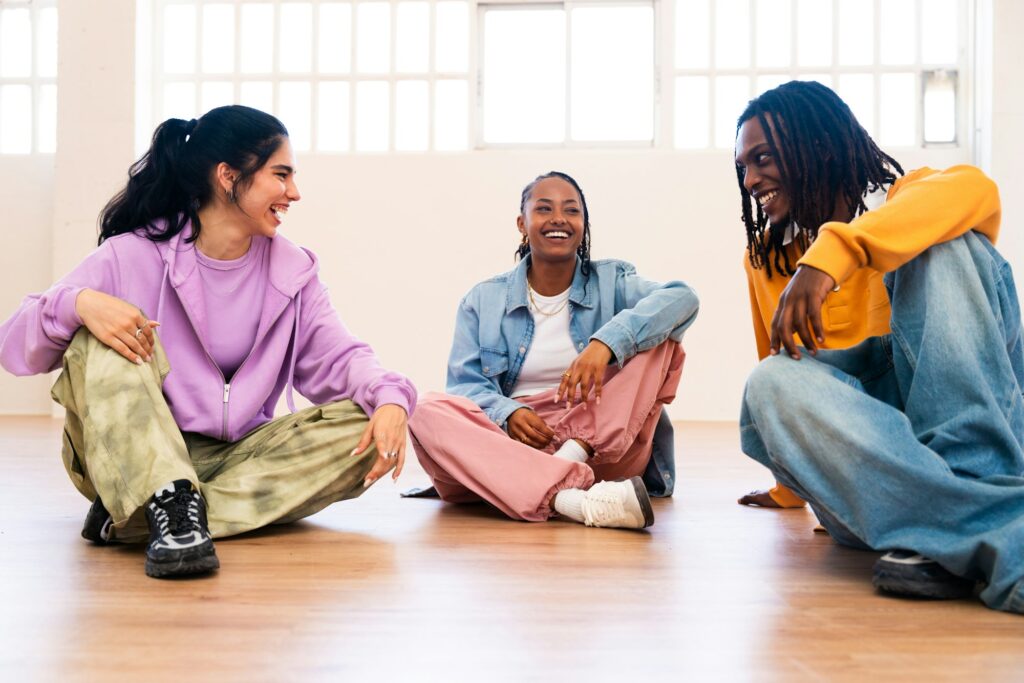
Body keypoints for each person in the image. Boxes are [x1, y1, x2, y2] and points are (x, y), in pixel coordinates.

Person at [0, 106, 416, 578]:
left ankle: (148, 516)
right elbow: (13, 346)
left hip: (238, 452)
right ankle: (162, 495)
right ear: (227, 176)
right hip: (128, 449)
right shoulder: (131, 254)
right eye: (280, 175)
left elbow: (340, 356)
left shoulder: (293, 272)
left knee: (362, 425)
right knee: (103, 339)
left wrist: (390, 400)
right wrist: (78, 304)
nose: (294, 193)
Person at [734, 80, 1024, 614]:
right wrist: (789, 484)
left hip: (954, 423)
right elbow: (784, 362)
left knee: (942, 241)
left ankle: (961, 501)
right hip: (879, 466)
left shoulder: (906, 195)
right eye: (744, 167)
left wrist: (835, 252)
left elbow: (978, 191)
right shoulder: (766, 260)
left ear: (817, 146)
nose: (750, 179)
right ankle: (999, 525)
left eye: (763, 158)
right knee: (769, 382)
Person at [407, 172, 698, 529]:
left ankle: (560, 464)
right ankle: (570, 499)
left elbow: (683, 298)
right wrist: (507, 412)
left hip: (601, 447)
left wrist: (606, 343)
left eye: (571, 210)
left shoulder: (613, 282)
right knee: (423, 408)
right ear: (522, 223)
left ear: (583, 224)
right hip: (517, 443)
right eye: (544, 209)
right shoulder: (483, 299)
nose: (558, 218)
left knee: (663, 336)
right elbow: (464, 387)